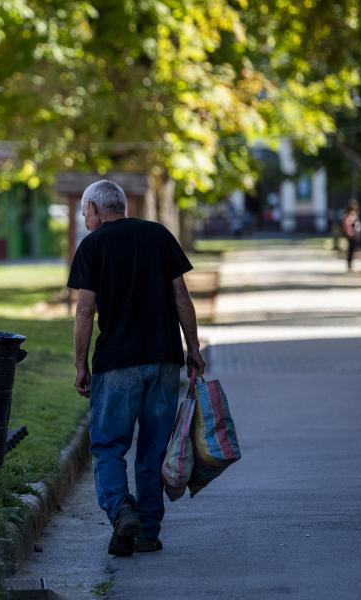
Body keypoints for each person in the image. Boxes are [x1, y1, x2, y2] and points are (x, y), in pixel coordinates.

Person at [67, 180, 205, 557]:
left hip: (116, 364)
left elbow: (85, 310)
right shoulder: (158, 235)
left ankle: (121, 510)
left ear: (95, 209)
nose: (85, 219)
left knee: (108, 445)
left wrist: (80, 364)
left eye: (85, 213)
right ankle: (147, 531)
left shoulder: (92, 246)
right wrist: (192, 347)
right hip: (163, 360)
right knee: (153, 449)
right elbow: (181, 294)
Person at [343, 200, 361, 272]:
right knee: (351, 249)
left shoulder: (347, 214)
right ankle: (350, 264)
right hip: (352, 234)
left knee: (351, 249)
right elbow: (353, 224)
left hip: (349, 234)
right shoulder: (352, 214)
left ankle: (349, 264)